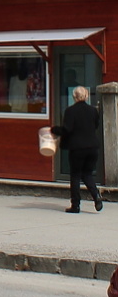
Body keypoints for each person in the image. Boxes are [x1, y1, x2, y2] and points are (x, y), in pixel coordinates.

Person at [53, 85, 103, 213]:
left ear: (74, 96)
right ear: (86, 96)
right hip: (92, 146)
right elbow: (96, 125)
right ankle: (96, 196)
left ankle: (75, 205)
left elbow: (67, 129)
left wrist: (54, 130)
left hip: (77, 148)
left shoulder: (70, 111)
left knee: (75, 175)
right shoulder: (93, 111)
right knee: (87, 174)